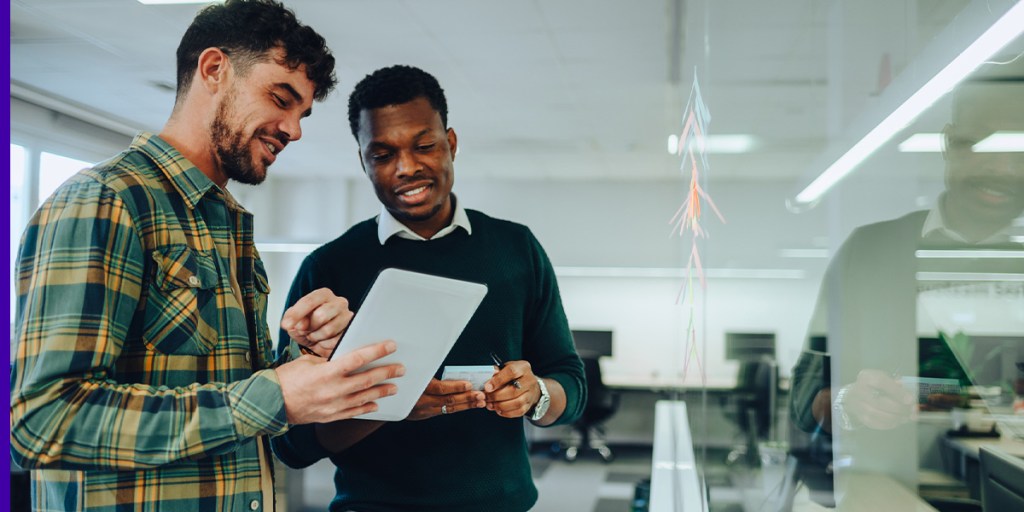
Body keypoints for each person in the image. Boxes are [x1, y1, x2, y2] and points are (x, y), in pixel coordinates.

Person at [9, 2, 404, 511]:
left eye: (301, 113)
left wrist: (302, 359)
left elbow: (227, 397)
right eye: (280, 99)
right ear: (214, 69)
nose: (294, 129)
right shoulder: (108, 200)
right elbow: (44, 422)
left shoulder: (226, 225)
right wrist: (275, 395)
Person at [270, 65, 587, 512]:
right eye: (382, 155)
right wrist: (390, 404)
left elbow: (570, 386)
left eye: (424, 146)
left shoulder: (516, 249)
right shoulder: (329, 268)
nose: (407, 168)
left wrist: (535, 395)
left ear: (450, 144)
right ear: (363, 161)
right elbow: (292, 446)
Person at [788, 78, 1024, 504]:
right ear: (949, 144)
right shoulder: (870, 253)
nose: (1005, 168)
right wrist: (847, 403)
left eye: (1020, 148)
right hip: (892, 496)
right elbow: (804, 400)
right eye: (984, 144)